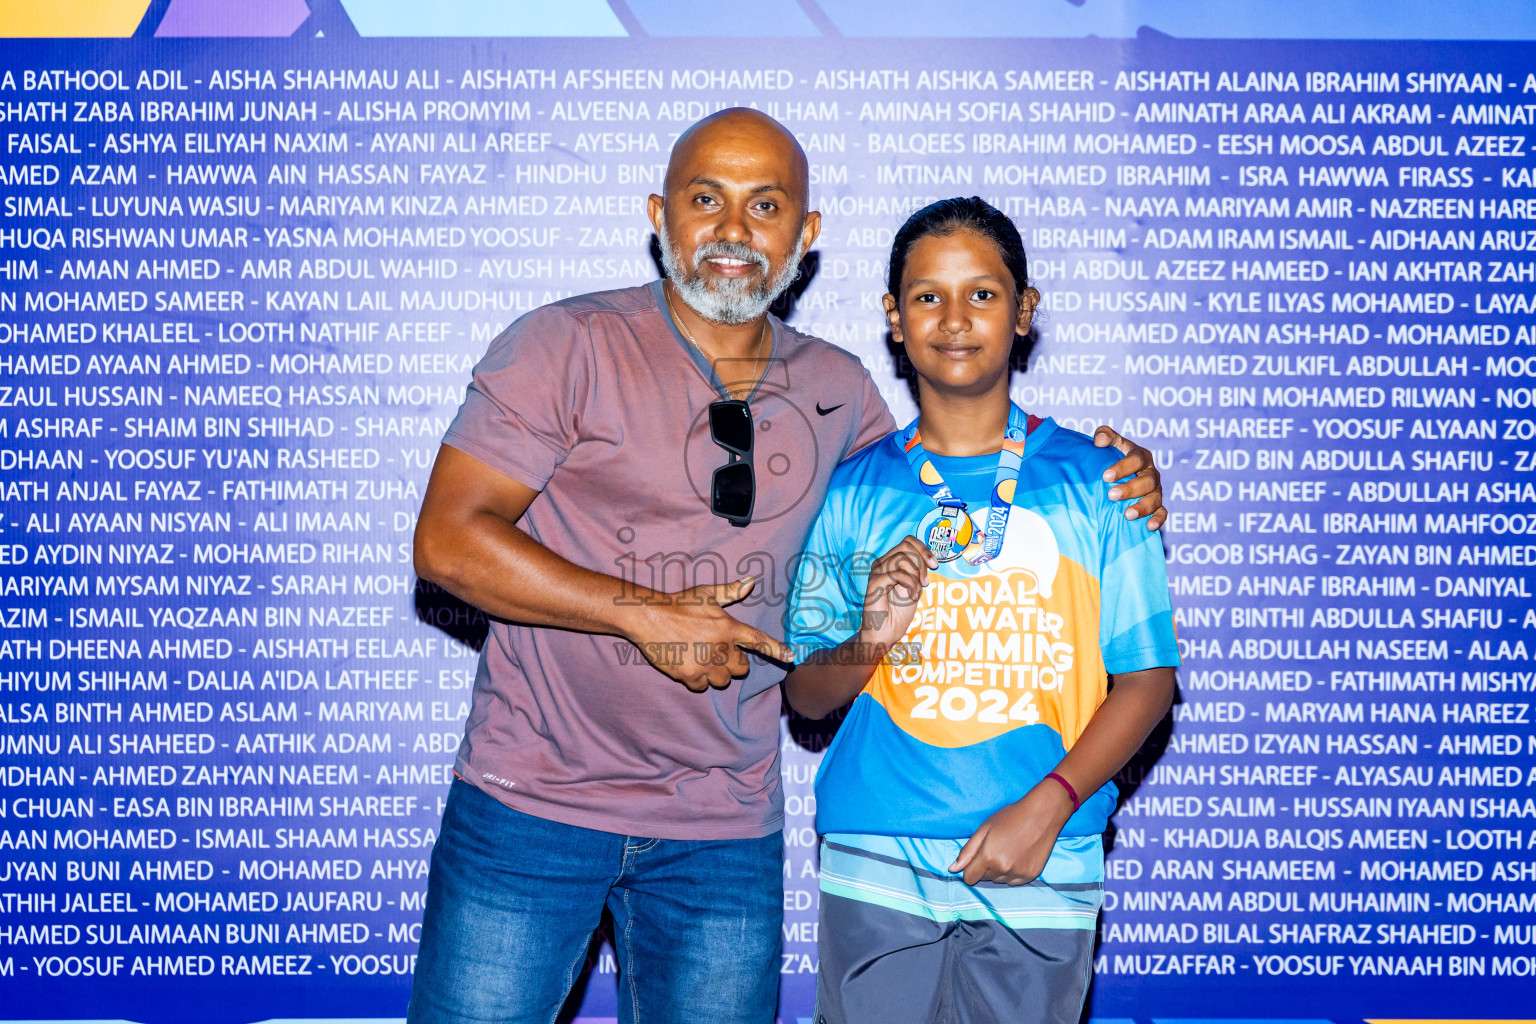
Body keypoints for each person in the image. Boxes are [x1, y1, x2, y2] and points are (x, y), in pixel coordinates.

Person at [407, 110, 1167, 1024]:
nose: (733, 231)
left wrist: (1118, 477)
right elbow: (447, 543)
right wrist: (647, 613)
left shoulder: (842, 393)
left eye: (765, 206)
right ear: (661, 215)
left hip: (724, 830)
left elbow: (946, 485)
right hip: (529, 805)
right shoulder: (564, 344)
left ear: (804, 240)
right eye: (705, 200)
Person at [784, 197, 1180, 1024]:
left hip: (1046, 844)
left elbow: (1145, 682)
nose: (954, 318)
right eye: (927, 296)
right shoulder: (855, 488)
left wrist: (1053, 803)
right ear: (895, 319)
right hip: (877, 850)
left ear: (1024, 312)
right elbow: (805, 694)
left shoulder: (1101, 480)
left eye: (984, 294)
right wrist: (873, 638)